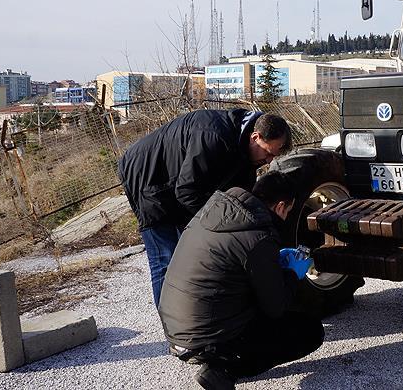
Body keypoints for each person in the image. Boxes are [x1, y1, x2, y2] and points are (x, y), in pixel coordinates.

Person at [158, 171, 322, 390]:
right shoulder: (258, 236)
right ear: (282, 206)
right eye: (289, 211)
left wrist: (272, 262)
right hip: (204, 338)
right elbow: (276, 306)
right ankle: (223, 370)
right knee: (310, 331)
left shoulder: (215, 213)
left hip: (175, 330)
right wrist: (292, 273)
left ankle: (214, 355)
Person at [118, 109, 292, 307]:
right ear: (255, 137)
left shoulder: (245, 150)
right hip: (147, 178)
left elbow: (239, 200)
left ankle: (190, 313)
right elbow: (187, 191)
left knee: (190, 254)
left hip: (178, 180)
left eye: (273, 156)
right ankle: (173, 327)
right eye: (268, 153)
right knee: (166, 259)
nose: (269, 161)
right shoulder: (213, 136)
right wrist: (219, 224)